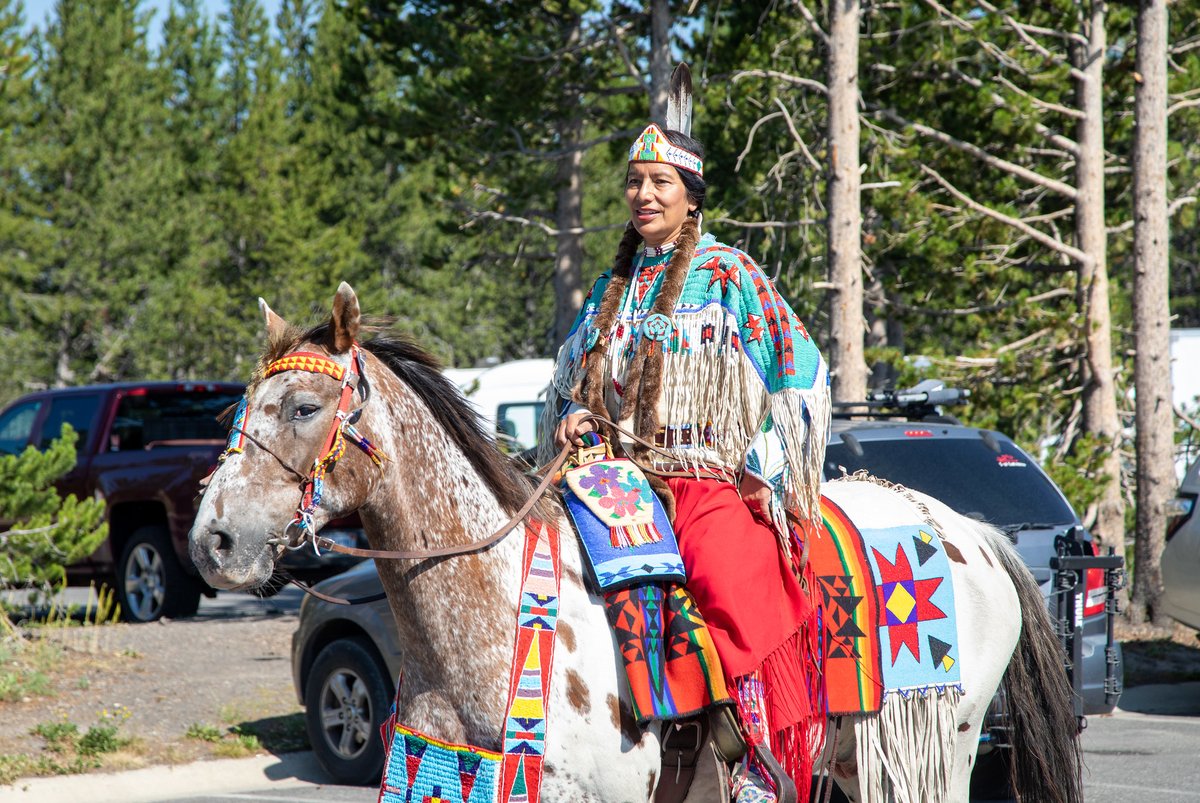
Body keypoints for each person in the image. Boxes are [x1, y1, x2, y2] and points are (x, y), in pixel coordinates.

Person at [543, 123, 830, 802]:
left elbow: (803, 371)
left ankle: (752, 753)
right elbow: (566, 379)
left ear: (691, 197)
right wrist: (574, 414)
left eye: (659, 182)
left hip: (703, 476)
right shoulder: (613, 286)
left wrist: (762, 463)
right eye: (635, 182)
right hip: (616, 477)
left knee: (724, 575)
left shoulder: (730, 274)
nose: (643, 194)